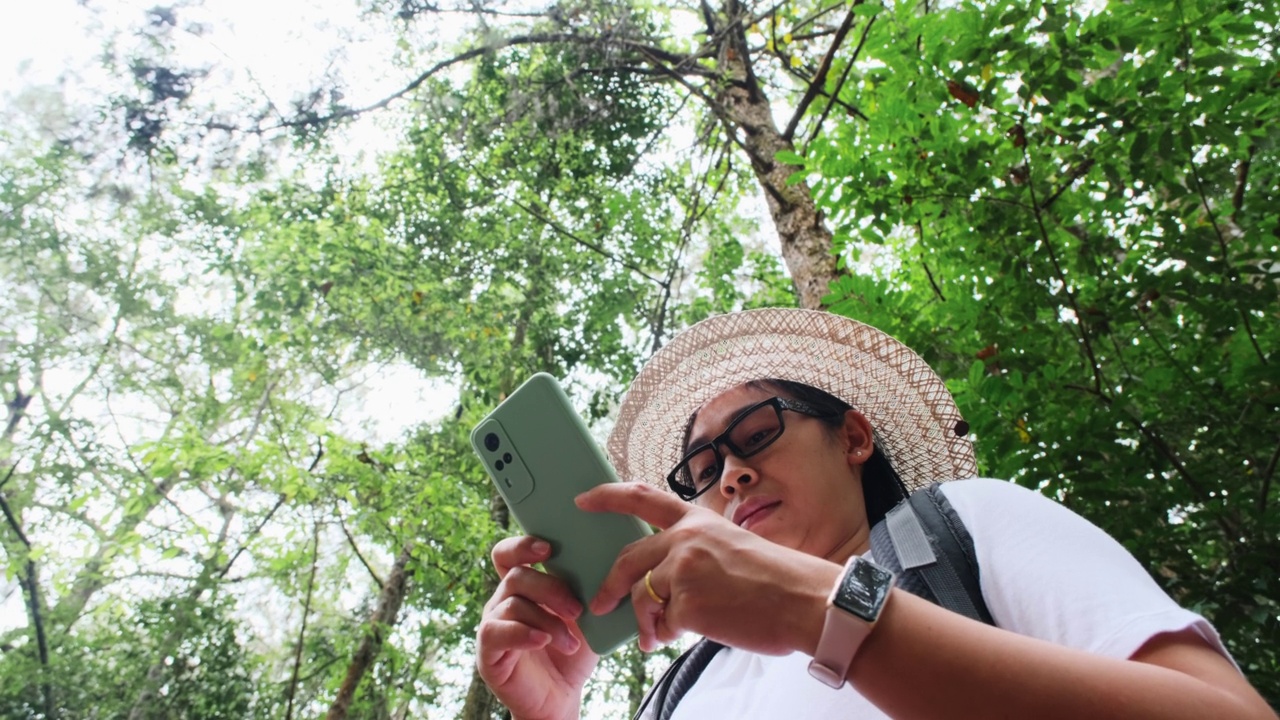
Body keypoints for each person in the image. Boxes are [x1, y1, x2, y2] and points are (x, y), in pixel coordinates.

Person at [476, 308, 1275, 720]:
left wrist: (817, 608)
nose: (733, 475)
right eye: (703, 468)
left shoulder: (965, 525)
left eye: (757, 433)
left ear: (854, 436)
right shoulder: (684, 686)